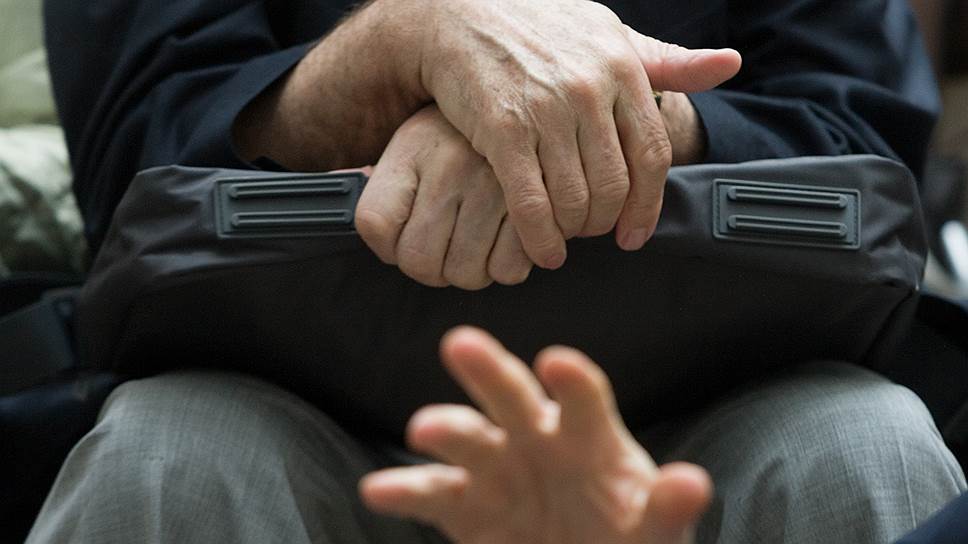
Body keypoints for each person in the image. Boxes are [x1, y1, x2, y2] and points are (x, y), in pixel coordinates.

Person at [30, 0, 965, 542]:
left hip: (730, 388)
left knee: (864, 448)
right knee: (162, 460)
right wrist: (402, 47)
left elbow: (870, 151)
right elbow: (138, 148)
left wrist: (592, 114)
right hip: (275, 389)